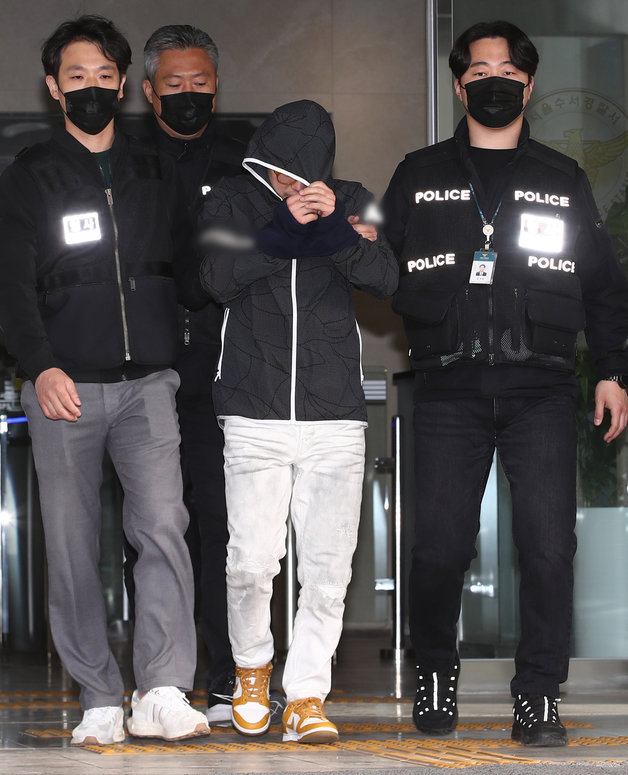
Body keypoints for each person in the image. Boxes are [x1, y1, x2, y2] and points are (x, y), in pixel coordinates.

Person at [383, 20, 628, 747]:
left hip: (540, 390)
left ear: (529, 84)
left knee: (549, 548)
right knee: (438, 550)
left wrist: (612, 370)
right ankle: (434, 673)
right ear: (459, 87)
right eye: (479, 72)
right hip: (447, 390)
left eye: (508, 72)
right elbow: (375, 264)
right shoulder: (418, 173)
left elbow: (603, 285)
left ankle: (539, 696)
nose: (494, 82)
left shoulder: (562, 177)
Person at [0, 15, 210, 745]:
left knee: (164, 526)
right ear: (54, 87)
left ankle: (161, 688)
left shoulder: (156, 170)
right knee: (70, 541)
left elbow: (195, 264)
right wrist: (40, 364)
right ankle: (97, 695)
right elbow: (10, 286)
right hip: (64, 386)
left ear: (122, 84)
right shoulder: (29, 174)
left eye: (103, 75)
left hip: (149, 382)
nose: (91, 87)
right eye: (76, 76)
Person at [190, 99, 398, 743]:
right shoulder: (230, 201)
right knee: (250, 563)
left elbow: (387, 276)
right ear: (263, 162)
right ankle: (252, 671)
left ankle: (308, 694)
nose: (292, 183)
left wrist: (335, 227)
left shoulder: (357, 200)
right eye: (280, 171)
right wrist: (283, 227)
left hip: (335, 415)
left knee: (329, 570)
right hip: (252, 410)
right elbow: (217, 277)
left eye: (303, 175)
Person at [138, 23, 244, 725]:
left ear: (215, 86)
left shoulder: (244, 161)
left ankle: (228, 675)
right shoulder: (124, 160)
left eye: (198, 82)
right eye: (173, 84)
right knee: (152, 527)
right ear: (148, 92)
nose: (187, 94)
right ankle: (160, 679)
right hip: (143, 370)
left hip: (221, 370)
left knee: (223, 524)